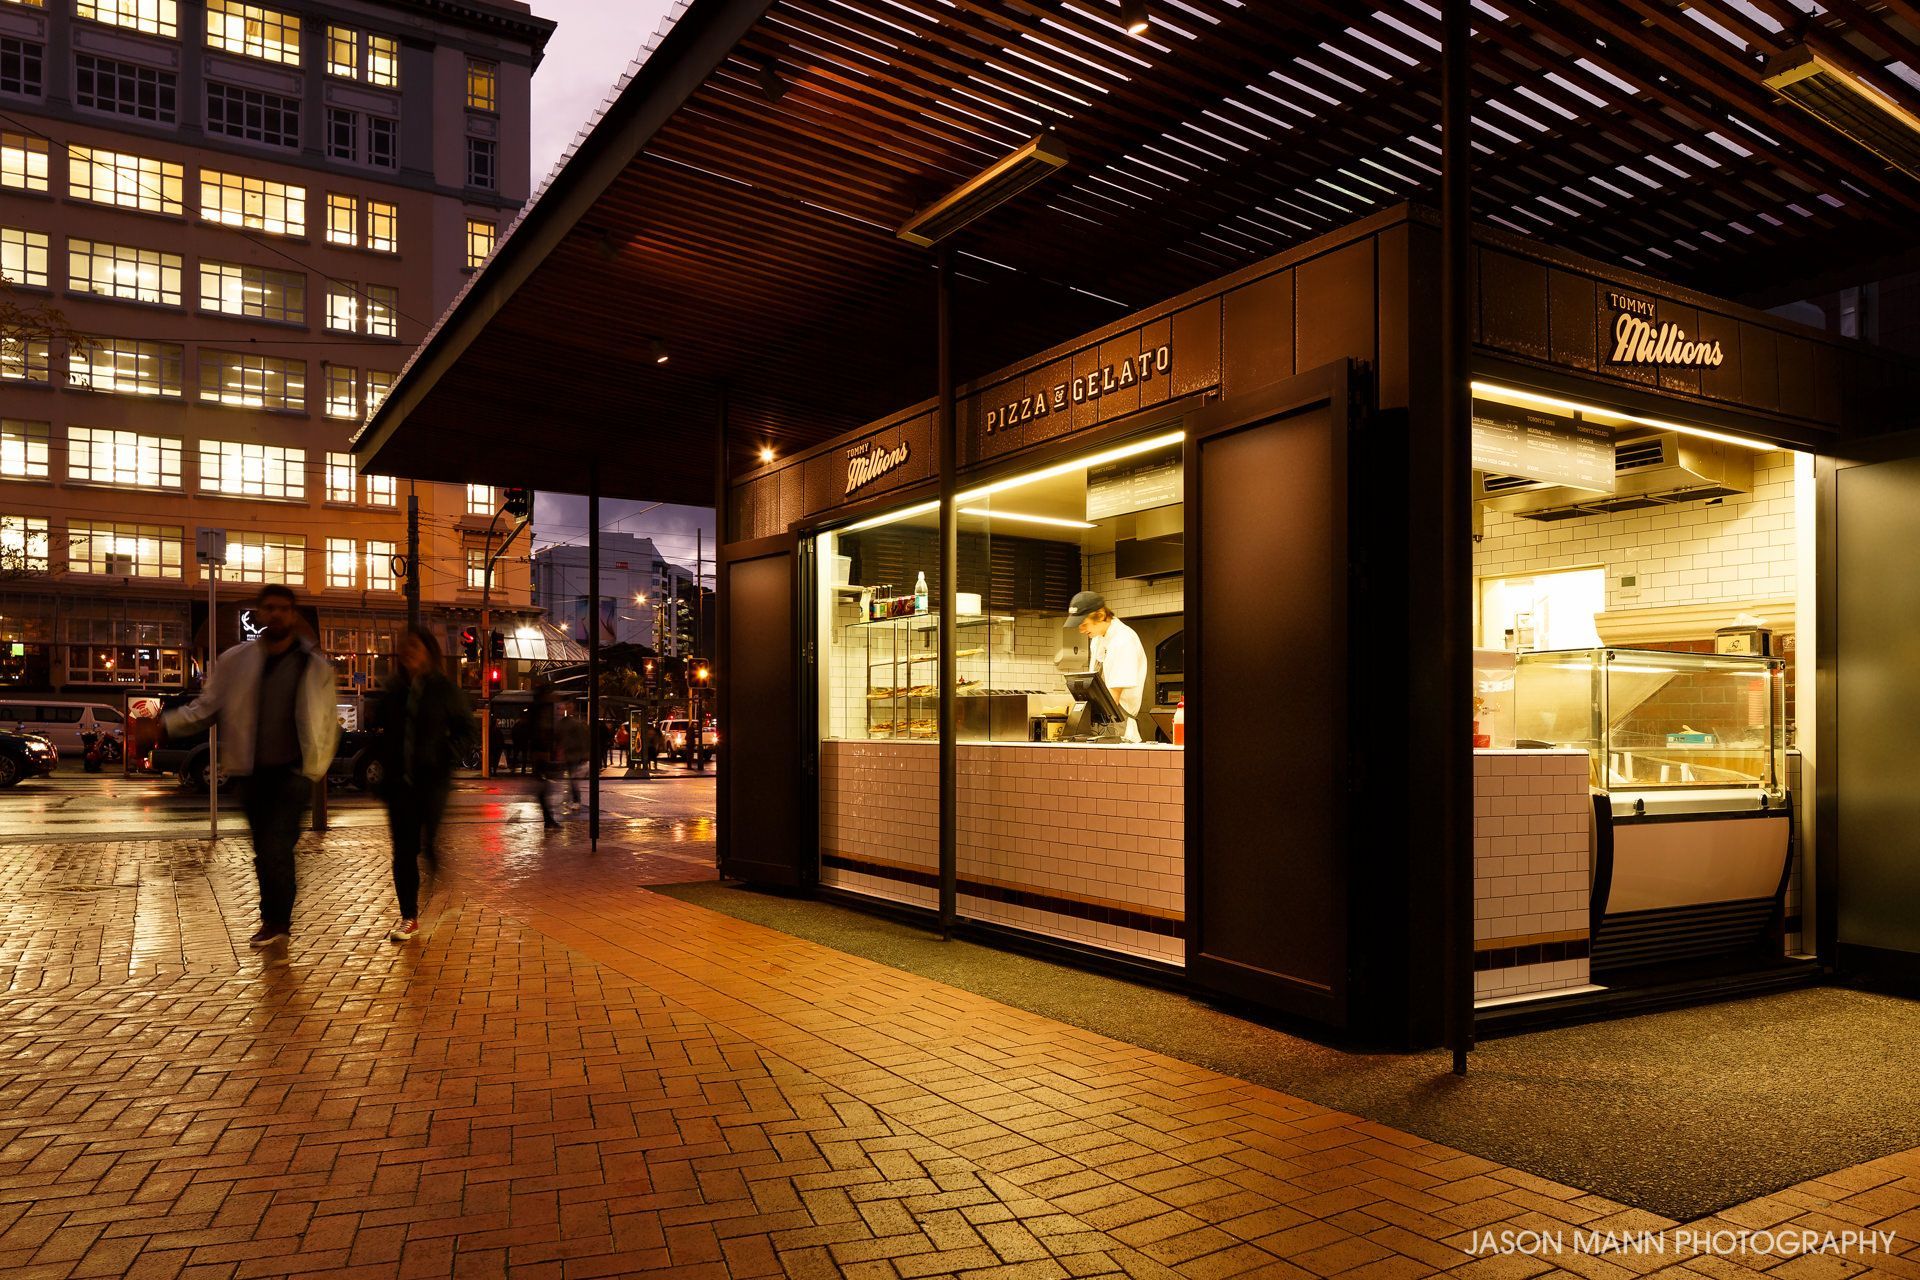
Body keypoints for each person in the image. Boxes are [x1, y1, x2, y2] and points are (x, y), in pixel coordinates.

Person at [130, 584, 339, 947]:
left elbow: (326, 721)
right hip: (251, 772)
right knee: (264, 848)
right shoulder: (236, 662)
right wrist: (164, 725)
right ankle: (274, 918)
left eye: (283, 609)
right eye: (269, 608)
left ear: (293, 615)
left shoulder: (314, 667)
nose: (276, 615)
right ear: (259, 614)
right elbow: (205, 709)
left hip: (293, 774)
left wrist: (316, 768)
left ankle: (277, 922)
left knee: (277, 847)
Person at [372, 626, 473, 943]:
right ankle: (408, 917)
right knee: (403, 851)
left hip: (432, 780)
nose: (407, 652)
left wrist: (446, 755)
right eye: (403, 647)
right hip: (399, 784)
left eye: (414, 646)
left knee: (428, 842)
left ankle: (435, 867)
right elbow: (383, 732)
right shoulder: (393, 690)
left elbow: (466, 730)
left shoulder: (443, 690)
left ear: (428, 651)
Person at [1064, 590, 1148, 743]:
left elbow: (1112, 698)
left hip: (1120, 728)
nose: (1081, 630)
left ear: (1101, 616)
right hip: (1102, 724)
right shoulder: (1097, 640)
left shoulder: (1123, 640)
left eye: (1084, 624)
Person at [530, 683, 560, 827]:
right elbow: (541, 732)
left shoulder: (541, 708)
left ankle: (548, 818)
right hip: (541, 752)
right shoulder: (541, 709)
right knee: (545, 788)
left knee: (545, 788)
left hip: (542, 752)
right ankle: (548, 819)